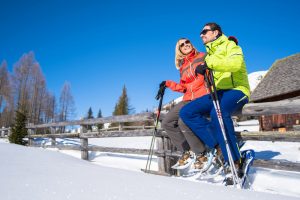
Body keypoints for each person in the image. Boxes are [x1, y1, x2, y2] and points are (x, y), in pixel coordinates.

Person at [179, 23, 250, 175]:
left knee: (217, 113)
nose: (201, 35)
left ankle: (235, 159)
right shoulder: (209, 53)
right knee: (187, 112)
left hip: (237, 90)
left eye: (204, 31)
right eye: (200, 33)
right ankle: (219, 146)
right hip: (218, 92)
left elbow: (235, 64)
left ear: (216, 32)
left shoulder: (230, 45)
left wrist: (208, 64)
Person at [157, 38, 211, 170]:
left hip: (202, 95)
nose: (186, 45)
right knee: (167, 122)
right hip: (188, 98)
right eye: (182, 44)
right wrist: (168, 83)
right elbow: (184, 87)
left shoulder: (203, 56)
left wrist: (207, 70)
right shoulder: (183, 67)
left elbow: (212, 72)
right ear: (179, 50)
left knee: (183, 121)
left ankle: (201, 153)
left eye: (188, 42)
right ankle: (187, 150)